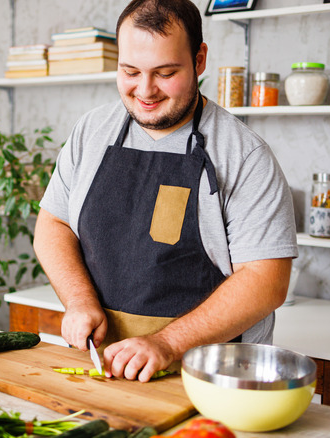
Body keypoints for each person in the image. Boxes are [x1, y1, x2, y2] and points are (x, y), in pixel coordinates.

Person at [33, 0, 297, 382]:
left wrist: (168, 343)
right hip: (105, 369)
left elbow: (266, 281)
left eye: (165, 72)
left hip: (210, 377)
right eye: (130, 71)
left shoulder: (245, 156)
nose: (145, 90)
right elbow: (53, 224)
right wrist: (78, 301)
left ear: (199, 59)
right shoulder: (92, 131)